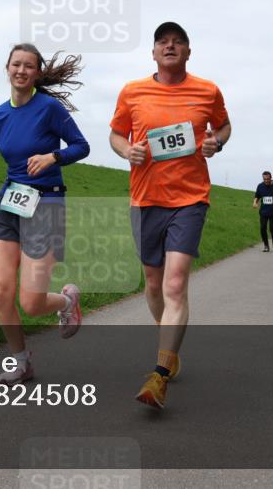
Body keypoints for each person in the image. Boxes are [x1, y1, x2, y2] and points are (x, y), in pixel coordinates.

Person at [109, 21, 231, 409]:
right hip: (145, 200)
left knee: (175, 285)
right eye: (163, 42)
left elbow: (224, 127)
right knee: (153, 282)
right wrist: (127, 151)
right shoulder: (132, 91)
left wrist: (216, 142)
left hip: (190, 199)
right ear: (154, 52)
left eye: (178, 42)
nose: (170, 47)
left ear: (189, 52)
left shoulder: (207, 90)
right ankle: (169, 344)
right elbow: (115, 134)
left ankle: (158, 375)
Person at [0, 44, 90, 385]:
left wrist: (54, 157)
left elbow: (81, 146)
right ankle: (22, 362)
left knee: (32, 303)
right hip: (9, 204)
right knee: (0, 292)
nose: (21, 70)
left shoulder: (49, 109)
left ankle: (66, 300)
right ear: (6, 68)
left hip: (47, 205)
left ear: (37, 73)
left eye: (28, 66)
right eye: (16, 64)